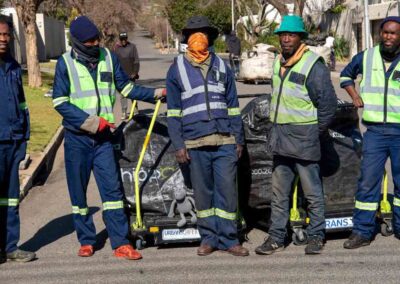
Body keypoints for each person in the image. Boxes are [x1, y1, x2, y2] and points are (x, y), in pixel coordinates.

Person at [52, 16, 165, 260]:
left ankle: (121, 243)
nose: (95, 44)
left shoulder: (108, 58)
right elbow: (60, 102)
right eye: (89, 41)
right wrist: (92, 122)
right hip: (77, 139)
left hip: (104, 140)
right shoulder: (65, 64)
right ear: (78, 42)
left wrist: (156, 93)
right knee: (78, 194)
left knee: (112, 192)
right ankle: (86, 240)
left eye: (97, 39)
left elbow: (126, 88)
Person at [254, 15, 337, 255]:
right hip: (280, 138)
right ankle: (277, 237)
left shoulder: (313, 65)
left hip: (304, 139)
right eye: (283, 35)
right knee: (279, 194)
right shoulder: (278, 62)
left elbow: (328, 105)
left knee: (312, 193)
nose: (286, 39)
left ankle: (316, 236)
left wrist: (313, 131)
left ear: (301, 38)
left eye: (291, 35)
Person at [166, 16, 248, 257]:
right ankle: (209, 238)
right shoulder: (176, 69)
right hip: (194, 143)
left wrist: (239, 138)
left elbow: (233, 107)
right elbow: (173, 113)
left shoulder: (222, 67)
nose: (198, 38)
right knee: (203, 194)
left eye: (203, 33)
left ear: (210, 39)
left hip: (225, 141)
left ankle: (230, 239)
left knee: (227, 192)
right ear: (187, 40)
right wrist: (179, 145)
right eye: (193, 34)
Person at [340, 16, 400, 249]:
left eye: (393, 33)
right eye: (385, 32)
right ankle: (362, 231)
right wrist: (355, 95)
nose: (388, 37)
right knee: (367, 182)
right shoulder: (366, 57)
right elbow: (345, 75)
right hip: (374, 131)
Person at [0, 16, 36, 263]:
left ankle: (10, 246)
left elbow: (22, 103)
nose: (3, 39)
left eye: (6, 35)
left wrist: (25, 135)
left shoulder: (13, 65)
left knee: (11, 198)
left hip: (13, 140)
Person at [114, 32, 140, 119]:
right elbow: (115, 62)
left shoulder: (132, 47)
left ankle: (136, 111)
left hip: (131, 75)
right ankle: (124, 112)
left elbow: (136, 61)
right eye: (122, 39)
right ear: (120, 40)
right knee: (123, 95)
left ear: (127, 38)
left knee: (133, 93)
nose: (123, 41)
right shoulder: (117, 49)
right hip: (121, 77)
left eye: (125, 39)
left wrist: (135, 72)